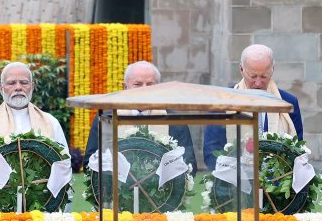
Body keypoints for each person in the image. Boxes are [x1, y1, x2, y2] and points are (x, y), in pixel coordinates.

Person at [0, 61, 69, 210]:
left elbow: (64, 169)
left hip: (42, 209)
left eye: (24, 82)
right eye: (11, 83)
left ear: (32, 86)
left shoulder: (51, 122)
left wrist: (60, 215)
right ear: (1, 88)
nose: (18, 87)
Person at [202, 43, 305, 171]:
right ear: (241, 69)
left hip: (276, 185)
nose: (258, 83)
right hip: (234, 184)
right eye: (253, 76)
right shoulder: (222, 103)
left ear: (273, 69)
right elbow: (211, 151)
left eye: (264, 76)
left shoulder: (288, 103)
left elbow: (297, 150)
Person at [84, 61, 196, 170]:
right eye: (137, 84)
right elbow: (89, 163)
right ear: (125, 87)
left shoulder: (174, 120)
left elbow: (189, 164)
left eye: (150, 84)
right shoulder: (107, 118)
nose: (144, 89)